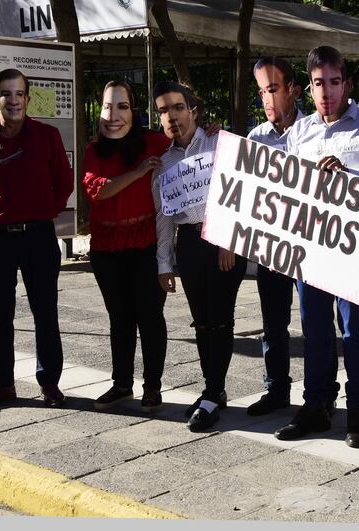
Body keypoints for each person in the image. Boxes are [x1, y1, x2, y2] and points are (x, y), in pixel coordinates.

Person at [274, 46, 359, 448]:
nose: (326, 91)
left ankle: (358, 414)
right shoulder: (299, 132)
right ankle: (316, 407)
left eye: (333, 81)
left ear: (346, 82)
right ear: (307, 88)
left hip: (354, 251)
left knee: (355, 331)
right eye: (317, 83)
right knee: (314, 331)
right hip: (310, 251)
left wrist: (349, 175)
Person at [0, 68, 73, 410]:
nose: (13, 100)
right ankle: (2, 385)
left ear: (28, 98)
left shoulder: (47, 136)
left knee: (45, 311)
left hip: (38, 235)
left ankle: (50, 382)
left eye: (19, 94)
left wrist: (43, 211)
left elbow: (63, 181)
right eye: (6, 94)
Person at [151, 81, 247, 432]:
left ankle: (211, 391)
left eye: (177, 107)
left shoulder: (219, 142)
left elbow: (240, 192)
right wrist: (164, 263)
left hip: (220, 239)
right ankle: (214, 390)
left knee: (221, 318)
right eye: (163, 110)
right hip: (188, 244)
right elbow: (163, 217)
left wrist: (228, 241)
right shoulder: (163, 163)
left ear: (193, 109)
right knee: (202, 321)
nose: (171, 116)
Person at [82, 80, 169, 413]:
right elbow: (98, 191)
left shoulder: (154, 143)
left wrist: (211, 132)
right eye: (107, 106)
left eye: (122, 106)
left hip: (146, 245)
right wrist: (137, 173)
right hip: (106, 249)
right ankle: (121, 384)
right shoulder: (93, 150)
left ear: (134, 111)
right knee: (119, 319)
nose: (113, 115)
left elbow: (191, 145)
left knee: (149, 317)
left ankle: (152, 387)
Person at [244, 57, 304, 416]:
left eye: (273, 89)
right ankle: (276, 390)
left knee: (317, 323)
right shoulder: (255, 139)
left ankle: (320, 394)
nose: (267, 100)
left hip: (311, 247)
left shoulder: (312, 131)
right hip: (271, 249)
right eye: (261, 92)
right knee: (273, 324)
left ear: (293, 89)